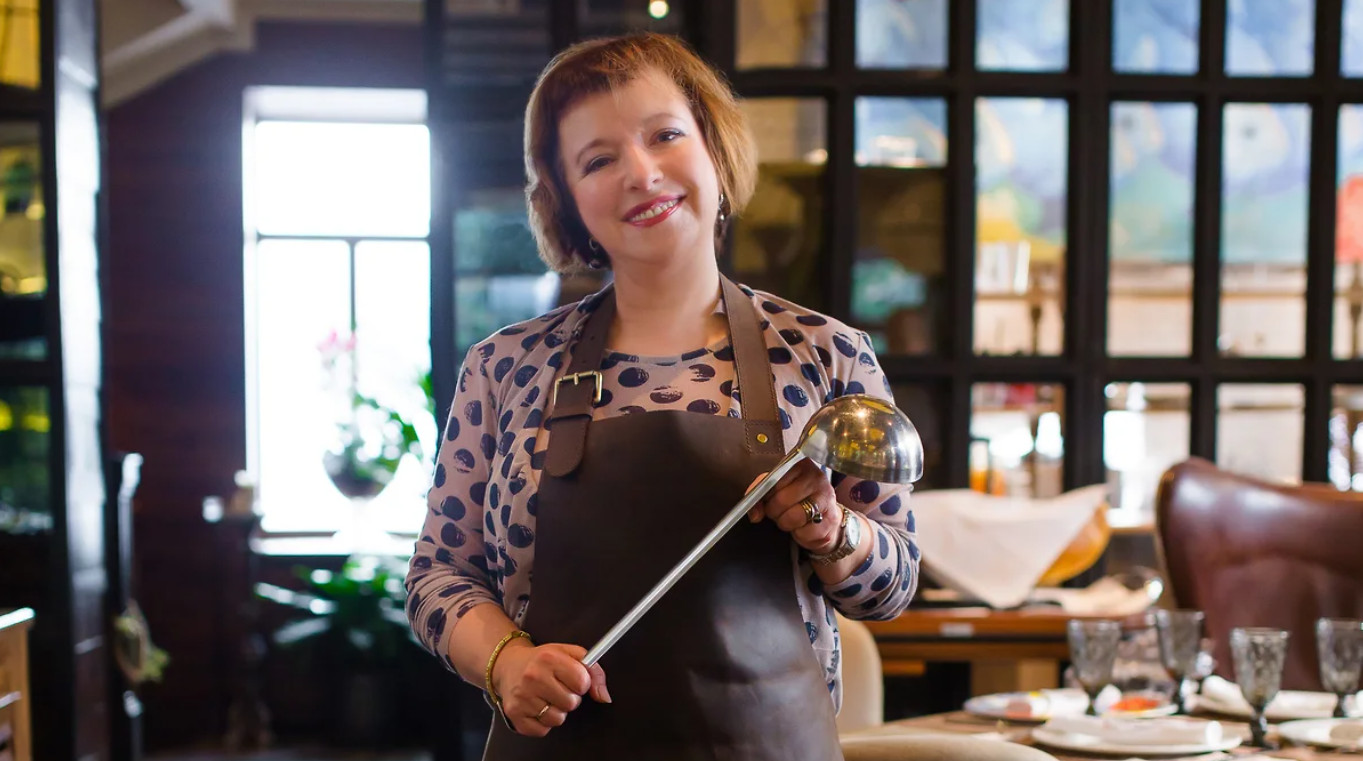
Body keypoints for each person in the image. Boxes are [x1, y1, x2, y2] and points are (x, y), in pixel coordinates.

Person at [405, 32, 920, 760]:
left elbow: (891, 588)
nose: (641, 174)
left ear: (713, 146)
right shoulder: (505, 367)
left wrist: (833, 530)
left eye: (664, 135)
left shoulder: (826, 354)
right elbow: (438, 575)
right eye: (598, 160)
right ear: (566, 201)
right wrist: (506, 662)